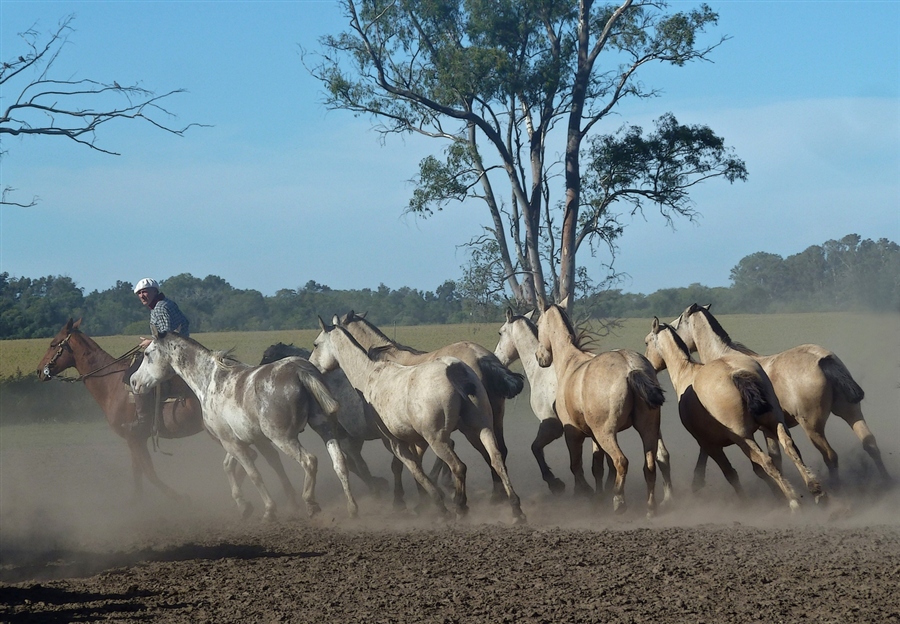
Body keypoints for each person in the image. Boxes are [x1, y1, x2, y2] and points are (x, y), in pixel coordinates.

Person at [130, 278, 191, 429]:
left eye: (145, 291)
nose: (142, 295)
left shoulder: (160, 307)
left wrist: (149, 343)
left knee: (132, 376)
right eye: (139, 293)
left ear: (154, 291)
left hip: (171, 353)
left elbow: (166, 337)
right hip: (180, 348)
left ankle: (143, 419)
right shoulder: (167, 303)